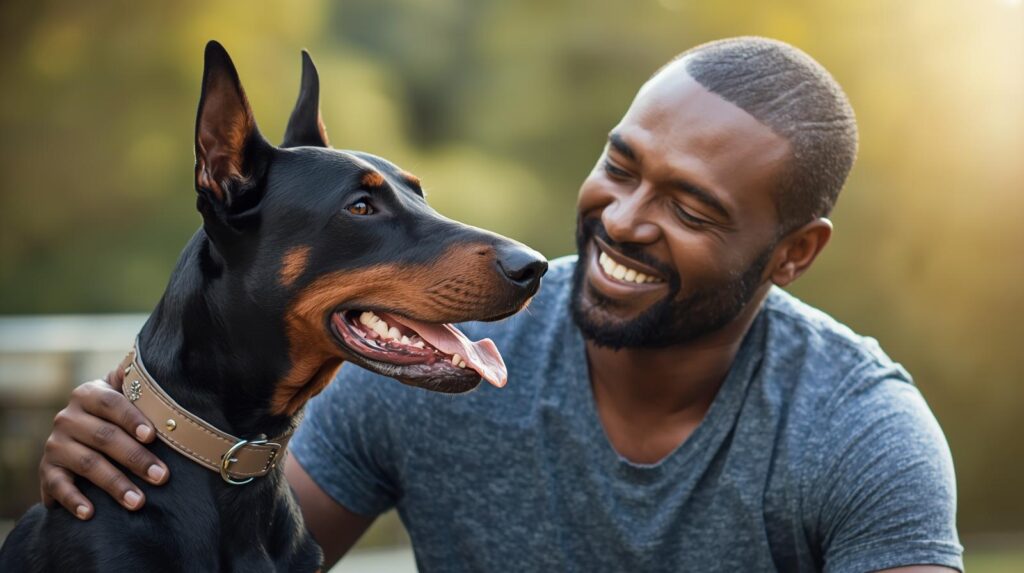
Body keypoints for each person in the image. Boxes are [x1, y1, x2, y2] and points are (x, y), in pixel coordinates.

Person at [35, 37, 961, 571]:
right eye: (621, 165)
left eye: (689, 206)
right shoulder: (428, 358)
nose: (624, 220)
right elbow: (248, 539)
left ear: (794, 253)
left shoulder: (860, 437)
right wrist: (127, 450)